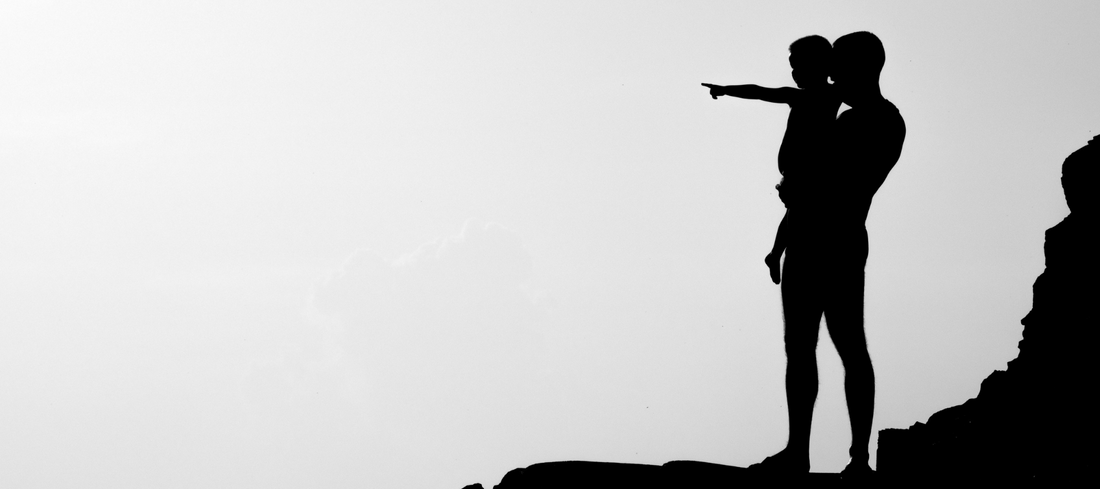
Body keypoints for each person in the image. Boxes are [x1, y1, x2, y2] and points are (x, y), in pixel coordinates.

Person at [751, 31, 906, 477]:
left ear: (861, 67)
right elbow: (809, 186)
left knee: (836, 347)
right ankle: (814, 453)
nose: (831, 75)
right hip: (825, 237)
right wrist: (782, 238)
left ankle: (846, 457)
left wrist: (797, 190)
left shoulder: (866, 122)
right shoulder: (869, 120)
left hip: (829, 240)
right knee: (818, 347)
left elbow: (820, 184)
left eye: (838, 66)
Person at [702, 35, 841, 284]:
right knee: (794, 210)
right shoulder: (803, 96)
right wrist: (726, 90)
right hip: (796, 170)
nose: (794, 74)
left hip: (809, 169)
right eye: (792, 68)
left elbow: (759, 92)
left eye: (799, 67)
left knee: (795, 211)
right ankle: (775, 254)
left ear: (820, 66)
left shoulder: (827, 95)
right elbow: (759, 92)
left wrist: (725, 90)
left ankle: (776, 254)